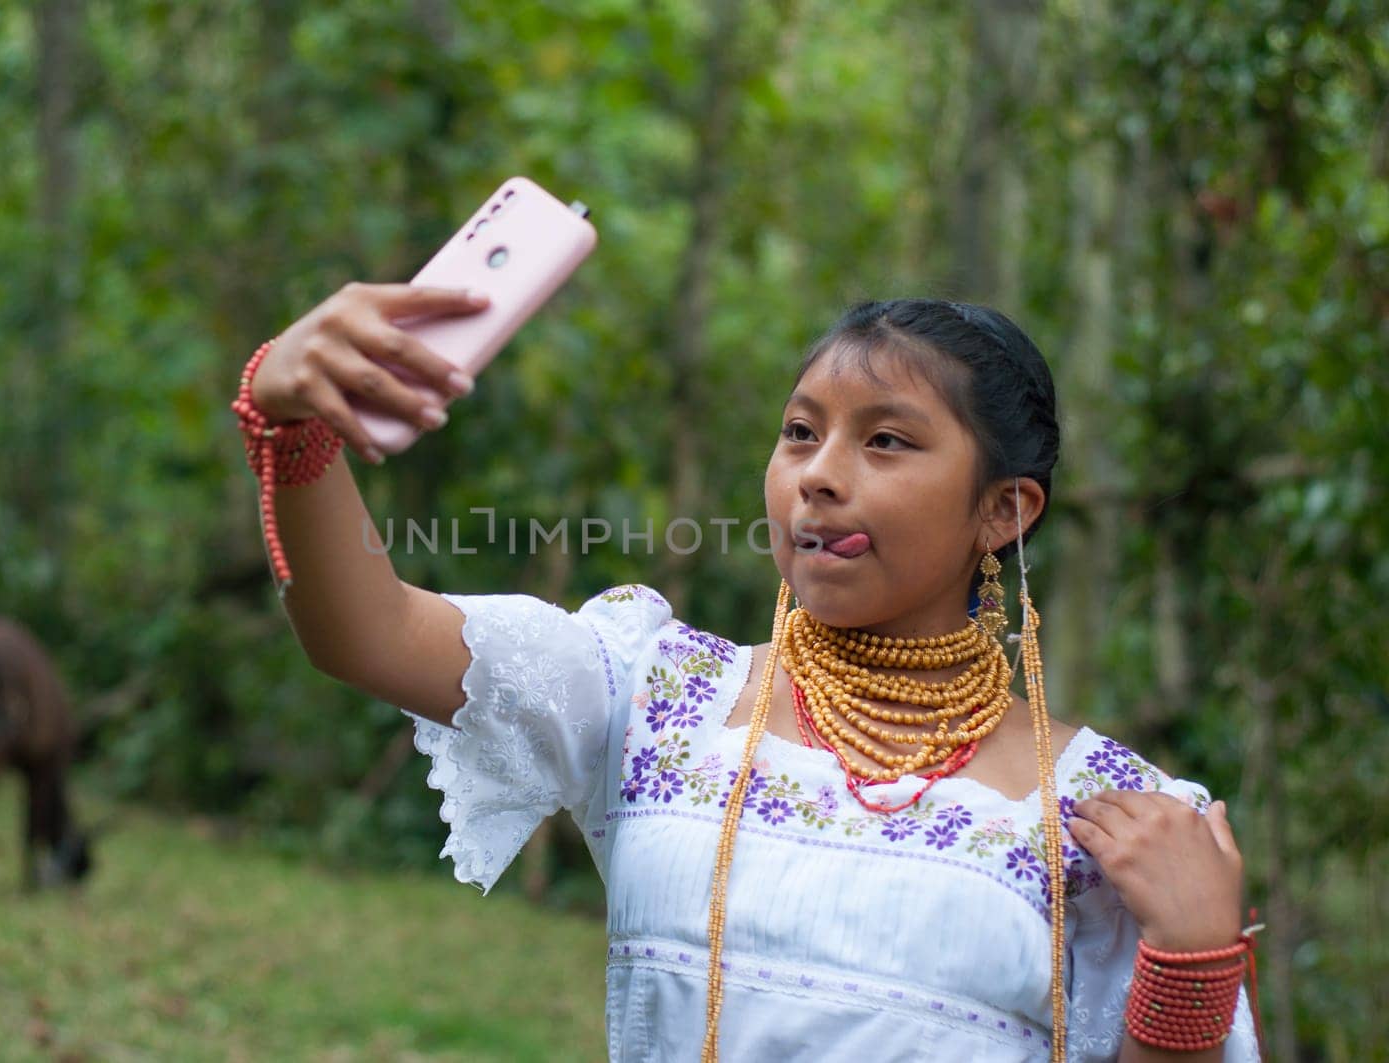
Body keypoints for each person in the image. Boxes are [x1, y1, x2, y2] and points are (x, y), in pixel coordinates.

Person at [233, 283, 1260, 1061]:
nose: (817, 472)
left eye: (888, 440)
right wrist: (291, 424)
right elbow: (364, 631)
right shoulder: (650, 693)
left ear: (1004, 511)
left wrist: (1191, 967)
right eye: (800, 433)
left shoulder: (1116, 821)